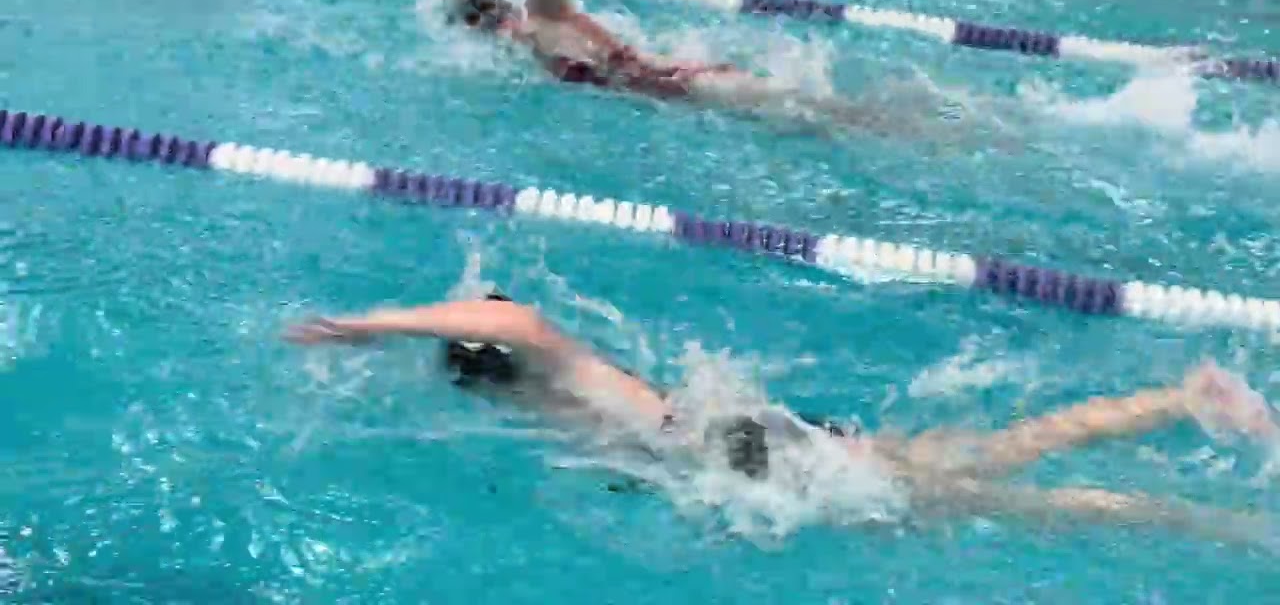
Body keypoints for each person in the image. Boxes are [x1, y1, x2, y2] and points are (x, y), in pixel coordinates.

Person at [283, 291, 1279, 548]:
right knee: (992, 457)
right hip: (760, 445)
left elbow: (515, 318)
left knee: (1024, 506)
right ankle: (1176, 399)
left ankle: (1214, 527)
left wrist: (363, 326)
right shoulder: (554, 405)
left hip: (760, 461)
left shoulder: (552, 382)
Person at [441, 0, 895, 137]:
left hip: (693, 85)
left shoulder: (543, 16)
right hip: (681, 97)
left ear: (504, 10)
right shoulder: (529, 56)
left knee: (837, 117)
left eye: (491, 15)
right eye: (482, 25)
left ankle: (927, 127)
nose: (495, 28)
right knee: (815, 124)